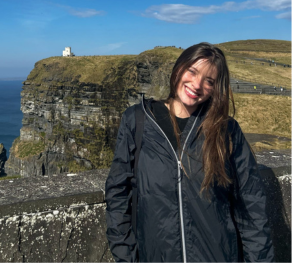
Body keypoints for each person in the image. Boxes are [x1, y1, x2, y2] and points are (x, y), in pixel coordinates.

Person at [105, 42, 274, 262]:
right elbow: (118, 194)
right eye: (192, 72)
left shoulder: (226, 130)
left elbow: (251, 207)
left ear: (215, 88)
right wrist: (126, 258)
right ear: (179, 68)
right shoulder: (136, 120)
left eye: (209, 81)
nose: (197, 84)